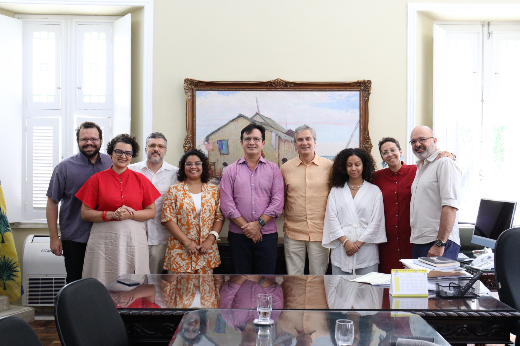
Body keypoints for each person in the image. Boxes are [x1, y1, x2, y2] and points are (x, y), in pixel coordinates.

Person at [75, 133, 161, 286]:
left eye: (128, 153)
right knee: (102, 279)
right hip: (104, 241)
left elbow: (151, 211)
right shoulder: (96, 179)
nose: (123, 156)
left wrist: (131, 214)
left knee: (134, 283)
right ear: (110, 153)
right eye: (119, 152)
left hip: (133, 240)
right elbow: (85, 213)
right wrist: (111, 214)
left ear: (132, 156)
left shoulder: (141, 180)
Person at [372, 137, 456, 273]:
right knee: (388, 282)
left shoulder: (418, 171)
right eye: (385, 152)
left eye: (393, 150)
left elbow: (442, 170)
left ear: (400, 151)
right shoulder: (376, 178)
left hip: (413, 239)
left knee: (414, 281)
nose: (390, 154)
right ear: (381, 156)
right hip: (388, 241)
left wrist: (451, 155)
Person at [46, 121, 112, 283]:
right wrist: (54, 237)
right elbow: (52, 202)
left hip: (107, 235)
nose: (89, 142)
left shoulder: (112, 164)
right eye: (84, 139)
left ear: (101, 141)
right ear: (78, 142)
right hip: (75, 237)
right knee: (76, 282)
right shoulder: (64, 168)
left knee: (106, 281)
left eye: (94, 139)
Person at [220, 123, 284, 274]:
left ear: (263, 143)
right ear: (241, 143)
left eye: (256, 139)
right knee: (241, 279)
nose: (251, 142)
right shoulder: (230, 171)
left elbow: (277, 202)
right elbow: (227, 204)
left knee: (266, 280)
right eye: (247, 139)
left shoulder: (274, 169)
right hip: (238, 236)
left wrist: (258, 224)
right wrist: (249, 228)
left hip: (267, 236)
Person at [322, 148, 386, 275]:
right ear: (343, 167)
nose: (353, 168)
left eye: (357, 164)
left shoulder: (374, 191)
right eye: (349, 165)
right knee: (341, 290)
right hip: (341, 248)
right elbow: (331, 218)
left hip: (366, 248)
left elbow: (376, 221)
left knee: (366, 291)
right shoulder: (336, 191)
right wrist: (346, 242)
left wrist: (357, 244)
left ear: (364, 165)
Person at [161, 149, 224, 274]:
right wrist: (187, 242)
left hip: (206, 250)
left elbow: (219, 218)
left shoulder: (213, 190)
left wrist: (210, 240)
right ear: (183, 167)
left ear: (203, 166)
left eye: (197, 163)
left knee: (205, 291)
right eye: (188, 164)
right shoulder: (174, 190)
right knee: (181, 291)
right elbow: (168, 220)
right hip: (180, 249)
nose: (193, 167)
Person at [281, 124, 332, 275]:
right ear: (295, 143)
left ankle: (316, 300)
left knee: (318, 277)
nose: (304, 143)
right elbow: (281, 198)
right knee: (294, 278)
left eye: (308, 139)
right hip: (293, 232)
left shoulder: (329, 166)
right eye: (300, 140)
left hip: (320, 232)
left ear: (314, 141)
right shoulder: (286, 168)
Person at [409, 126, 462, 260]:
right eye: (413, 141)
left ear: (434, 140)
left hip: (439, 242)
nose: (418, 144)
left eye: (422, 139)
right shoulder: (421, 167)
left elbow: (450, 206)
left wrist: (440, 242)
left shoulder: (444, 163)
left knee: (437, 282)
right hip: (421, 241)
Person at [129, 132, 178, 274]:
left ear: (165, 151)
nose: (156, 149)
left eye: (160, 146)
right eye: (152, 145)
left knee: (155, 284)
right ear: (146, 149)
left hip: (161, 238)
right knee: (134, 281)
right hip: (135, 236)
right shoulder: (132, 170)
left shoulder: (175, 173)